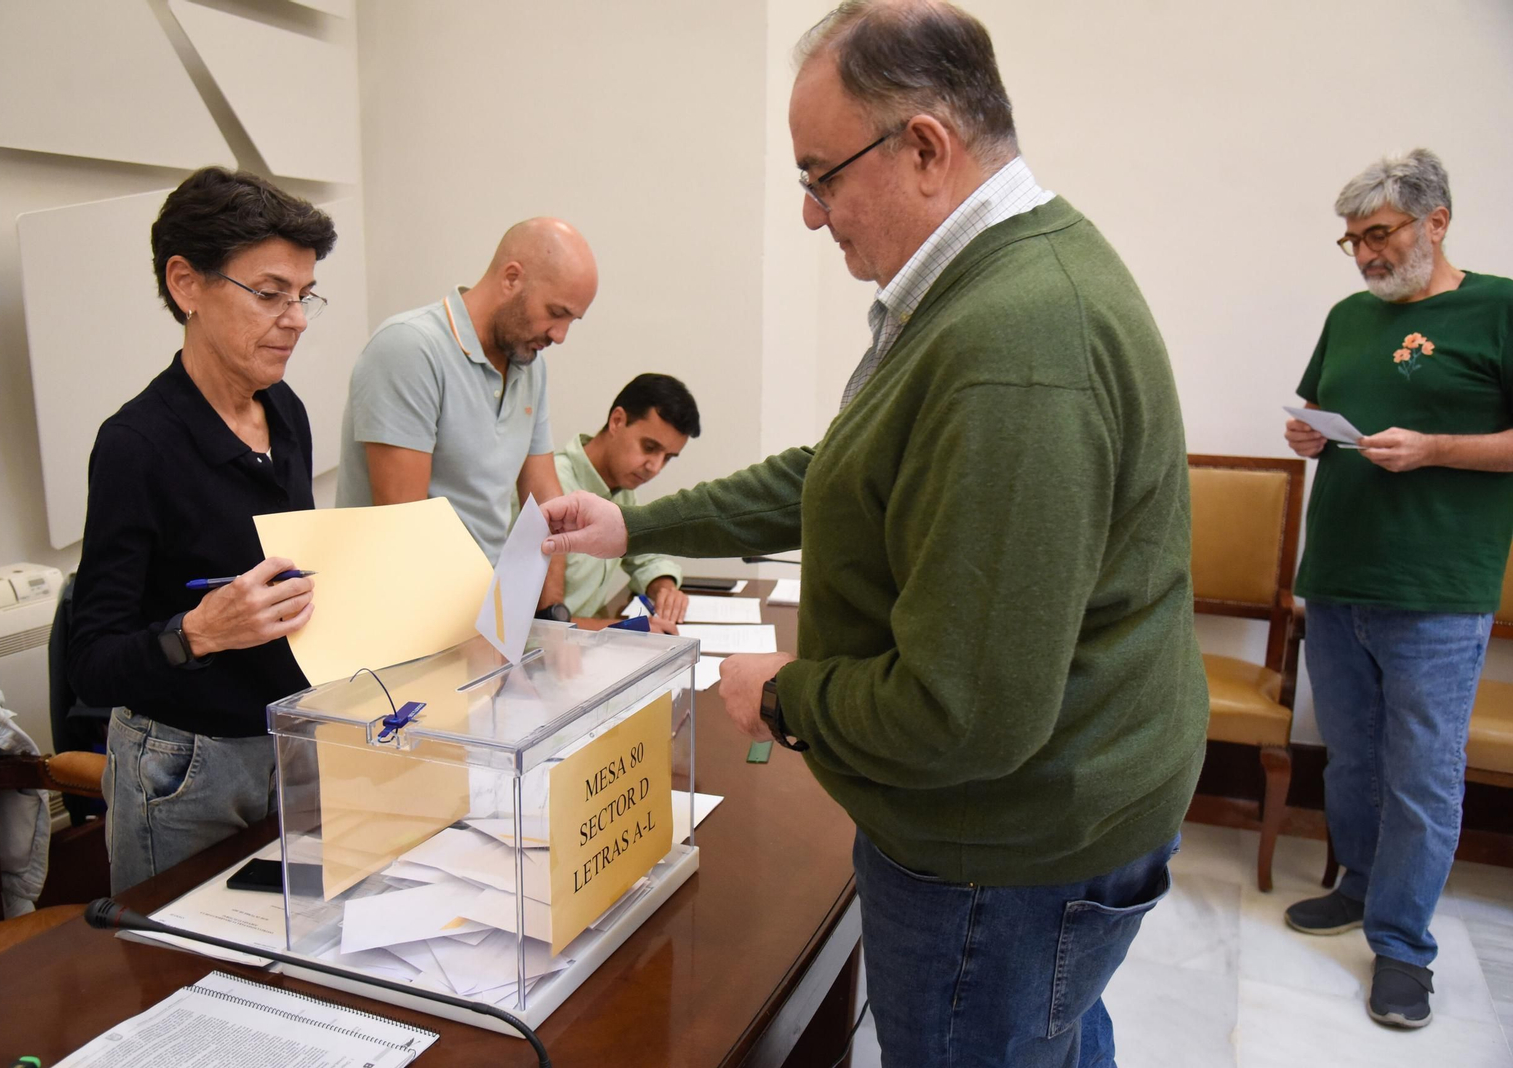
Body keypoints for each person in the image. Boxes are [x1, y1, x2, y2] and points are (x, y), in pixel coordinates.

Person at [541, 3, 1208, 1064]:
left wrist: (785, 695)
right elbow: (838, 474)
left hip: (1002, 855)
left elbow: (966, 715)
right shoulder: (983, 289)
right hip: (1047, 829)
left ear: (926, 149)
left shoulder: (1013, 345)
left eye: (820, 175)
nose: (811, 213)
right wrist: (635, 519)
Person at [1282, 148, 1513, 1029]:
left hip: (1438, 590)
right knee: (1352, 758)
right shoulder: (1348, 316)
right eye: (1353, 241)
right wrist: (1309, 436)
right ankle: (1361, 886)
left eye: (1378, 234)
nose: (1366, 254)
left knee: (1421, 776)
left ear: (1436, 221)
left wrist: (1437, 447)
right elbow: (1316, 409)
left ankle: (1404, 949)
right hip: (1339, 577)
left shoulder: (1499, 307)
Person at [67, 167, 336, 894]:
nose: (298, 318)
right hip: (183, 769)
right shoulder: (136, 445)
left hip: (287, 741)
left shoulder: (286, 413)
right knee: (181, 981)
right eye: (271, 293)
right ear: (186, 284)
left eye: (305, 296)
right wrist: (198, 632)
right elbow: (91, 660)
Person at [335, 218, 598, 612]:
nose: (559, 335)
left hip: (478, 618)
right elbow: (405, 528)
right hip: (399, 616)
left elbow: (545, 502)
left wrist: (552, 613)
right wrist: (482, 634)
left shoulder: (529, 365)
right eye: (555, 313)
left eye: (571, 321)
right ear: (511, 278)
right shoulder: (409, 349)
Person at [556, 374, 700, 634]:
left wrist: (664, 587)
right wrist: (629, 629)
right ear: (617, 421)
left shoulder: (620, 490)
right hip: (540, 659)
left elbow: (643, 555)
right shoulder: (550, 487)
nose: (655, 467)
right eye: (649, 447)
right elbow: (525, 623)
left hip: (581, 652)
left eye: (667, 457)